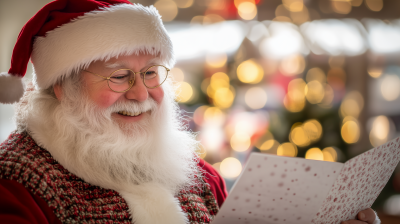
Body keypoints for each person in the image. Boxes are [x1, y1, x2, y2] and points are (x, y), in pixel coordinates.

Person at [0, 0, 379, 223]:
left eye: (150, 73)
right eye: (119, 76)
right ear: (64, 87)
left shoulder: (199, 177)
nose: (141, 92)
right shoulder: (16, 184)